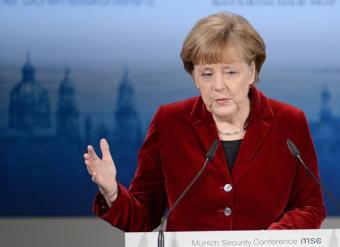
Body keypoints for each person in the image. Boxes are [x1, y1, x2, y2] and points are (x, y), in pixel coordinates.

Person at [83, 12, 326, 232]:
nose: (218, 86)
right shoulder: (170, 122)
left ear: (251, 72)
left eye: (230, 72)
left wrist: (270, 240)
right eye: (207, 74)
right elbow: (143, 218)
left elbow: (311, 207)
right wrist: (112, 192)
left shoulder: (289, 122)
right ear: (195, 78)